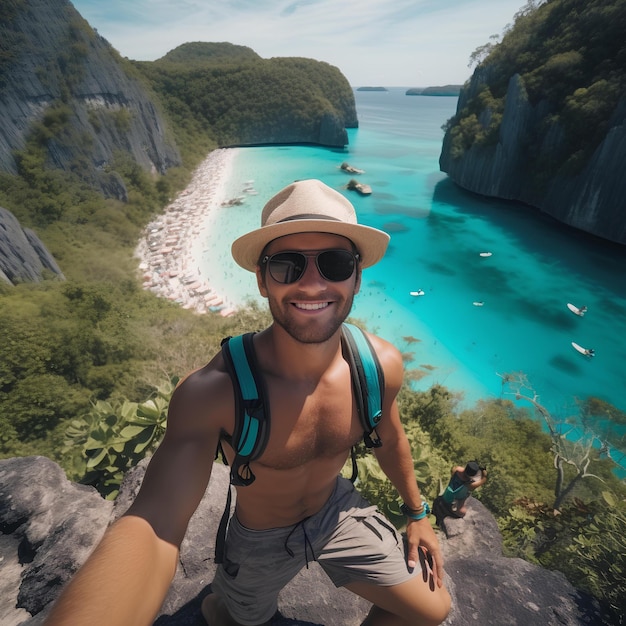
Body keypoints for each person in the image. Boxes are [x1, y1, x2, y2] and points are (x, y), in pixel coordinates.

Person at [44, 179, 451, 626]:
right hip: (260, 535)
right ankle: (220, 602)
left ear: (356, 276)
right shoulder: (216, 391)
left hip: (337, 513)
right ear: (261, 280)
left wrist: (418, 514)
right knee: (233, 619)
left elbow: (389, 438)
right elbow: (156, 521)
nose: (312, 284)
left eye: (334, 263)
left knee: (432, 611)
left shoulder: (377, 367)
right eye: (286, 266)